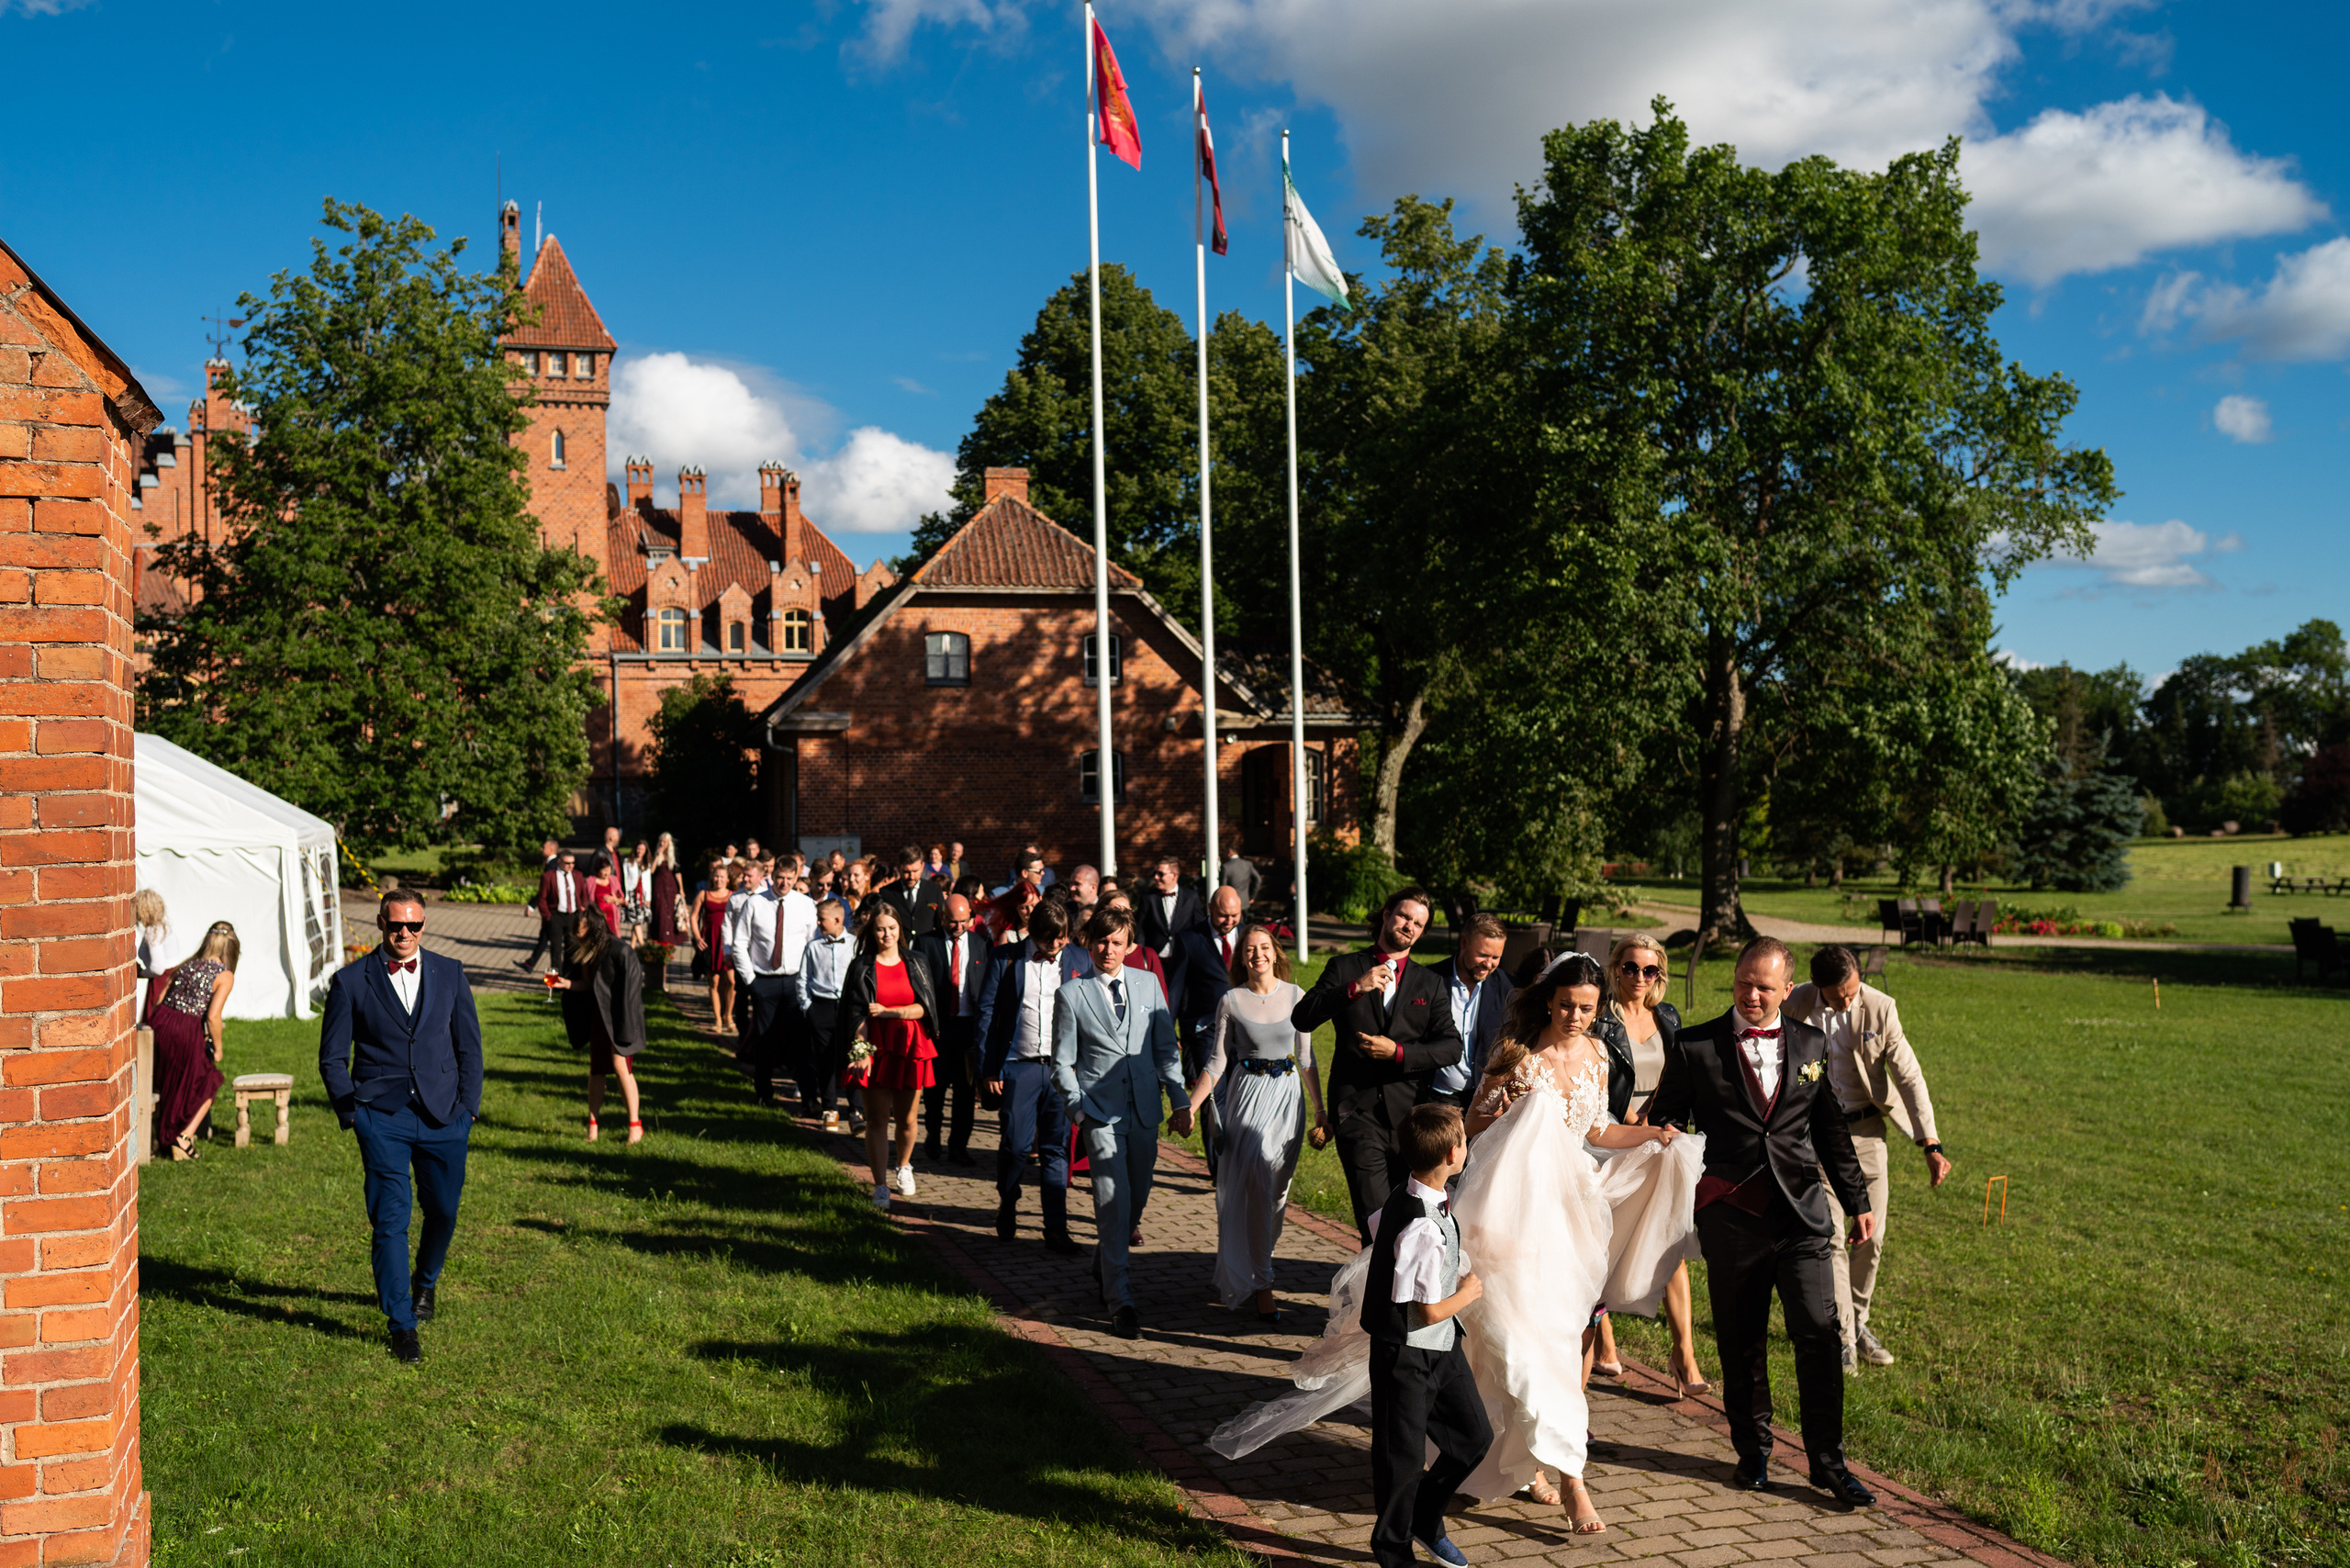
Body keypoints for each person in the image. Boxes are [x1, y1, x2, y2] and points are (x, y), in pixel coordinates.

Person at [1457, 953, 1705, 1527]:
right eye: (1566, 1005)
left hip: (1572, 1217)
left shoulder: (1596, 1054)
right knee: (1518, 1340)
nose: (1575, 1017)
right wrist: (1525, 1121)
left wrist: (1650, 1135)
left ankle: (1552, 1464)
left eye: (1587, 1009)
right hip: (1513, 1213)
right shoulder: (1515, 1055)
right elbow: (1473, 1124)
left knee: (1565, 1342)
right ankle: (1563, 1477)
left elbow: (1597, 1129)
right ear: (1548, 1000)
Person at [1648, 936, 1877, 1507]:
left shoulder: (1810, 1043)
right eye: (1744, 982)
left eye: (1764, 987)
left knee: (1820, 1334)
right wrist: (1673, 1139)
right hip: (1732, 1219)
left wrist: (1858, 1200)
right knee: (1741, 1340)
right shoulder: (1695, 1044)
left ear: (1786, 990)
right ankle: (1753, 1453)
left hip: (1802, 1216)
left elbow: (1830, 1130)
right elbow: (1667, 1116)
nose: (1751, 994)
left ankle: (1828, 1463)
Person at [1212, 1105, 1492, 1568]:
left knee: (1473, 1438)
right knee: (1400, 1459)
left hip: (1444, 1349)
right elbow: (1424, 1311)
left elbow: (1380, 1225)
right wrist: (1468, 1293)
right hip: (1405, 1354)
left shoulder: (1410, 1195)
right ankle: (1392, 1547)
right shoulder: (1422, 1226)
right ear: (1450, 1154)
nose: (1467, 1146)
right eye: (1464, 1139)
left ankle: (1424, 1517)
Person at [318, 892, 484, 1366]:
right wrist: (353, 1114)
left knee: (444, 1212)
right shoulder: (351, 981)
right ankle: (401, 1325)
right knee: (391, 1222)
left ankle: (425, 1283)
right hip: (382, 1120)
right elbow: (333, 1058)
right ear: (380, 924)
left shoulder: (450, 973)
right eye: (396, 926)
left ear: (425, 925)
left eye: (414, 926)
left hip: (444, 1117)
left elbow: (469, 1048)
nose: (405, 935)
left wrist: (467, 1107)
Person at [1785, 944, 1952, 1369]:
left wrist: (1930, 1142)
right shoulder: (1795, 1002)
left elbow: (1909, 1075)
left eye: (1852, 991)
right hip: (1815, 1137)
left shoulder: (1881, 1008)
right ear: (1819, 987)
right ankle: (1840, 1337)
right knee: (1835, 1240)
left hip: (1866, 1133)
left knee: (1870, 1238)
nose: (1847, 1001)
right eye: (1838, 996)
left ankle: (1857, 1322)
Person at [1292, 886, 1462, 1242]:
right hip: (1357, 1111)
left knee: (1412, 1220)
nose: (1409, 926)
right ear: (1386, 914)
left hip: (1411, 1119)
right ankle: (1378, 1295)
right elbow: (1302, 1017)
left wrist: (1399, 1053)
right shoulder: (1345, 967)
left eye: (1418, 923)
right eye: (1403, 916)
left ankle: (1399, 1296)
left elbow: (1450, 1047)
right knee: (1375, 1222)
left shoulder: (1428, 983)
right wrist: (1355, 987)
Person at [1051, 906, 1189, 1338]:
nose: (1108, 950)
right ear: (1088, 942)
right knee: (1112, 1205)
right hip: (1100, 1116)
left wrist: (1180, 1100)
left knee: (1135, 1202)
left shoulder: (1148, 984)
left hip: (1145, 1110)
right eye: (1100, 941)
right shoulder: (1072, 994)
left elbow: (1166, 1048)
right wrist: (1079, 1110)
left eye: (1117, 942)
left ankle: (1103, 1264)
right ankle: (1121, 1300)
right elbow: (1062, 1064)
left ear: (1129, 945)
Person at [1585, 931, 1708, 1394]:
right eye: (1630, 968)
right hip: (1607, 1137)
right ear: (1615, 969)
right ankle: (1604, 1344)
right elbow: (1589, 1080)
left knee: (1668, 1241)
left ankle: (1685, 1356)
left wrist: (1657, 1117)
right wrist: (1630, 1119)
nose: (1639, 977)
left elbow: (1678, 1075)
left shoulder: (1668, 1017)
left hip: (1657, 1136)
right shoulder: (1600, 1017)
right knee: (1600, 1244)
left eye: (1649, 969)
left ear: (1660, 974)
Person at [1184, 925, 1326, 1320]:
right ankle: (1264, 1285)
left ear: (1275, 952)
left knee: (1277, 1193)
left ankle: (1258, 1259)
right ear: (1241, 957)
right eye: (1249, 949)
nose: (1257, 954)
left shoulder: (1297, 996)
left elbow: (1307, 1058)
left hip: (1287, 1098)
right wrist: (1192, 1106)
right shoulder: (1231, 1000)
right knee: (1260, 1184)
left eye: (1264, 947)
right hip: (1248, 1098)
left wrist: (1320, 1110)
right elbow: (1217, 1062)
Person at [976, 898, 1090, 1252]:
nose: (1057, 945)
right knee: (1015, 1146)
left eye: (1063, 938)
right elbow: (987, 1014)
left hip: (1061, 1070)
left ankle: (1056, 1228)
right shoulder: (1005, 958)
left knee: (1057, 1150)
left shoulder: (1079, 960)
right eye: (1051, 939)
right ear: (1036, 933)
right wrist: (989, 1066)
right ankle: (1007, 1203)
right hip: (1018, 1066)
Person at [840, 902, 942, 1207]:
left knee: (908, 1119)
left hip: (912, 1047)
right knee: (876, 1120)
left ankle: (905, 1166)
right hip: (876, 1048)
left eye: (892, 928)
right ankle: (880, 1185)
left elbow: (925, 1009)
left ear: (901, 929)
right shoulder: (861, 966)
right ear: (873, 931)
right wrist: (862, 1052)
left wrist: (889, 1013)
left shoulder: (917, 961)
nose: (887, 934)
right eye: (881, 928)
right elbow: (856, 1016)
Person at [549, 908, 646, 1145]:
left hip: (620, 1019)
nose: (575, 933)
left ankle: (635, 1125)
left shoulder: (619, 950)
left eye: (579, 929)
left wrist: (626, 1026)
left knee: (620, 1065)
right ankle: (593, 1125)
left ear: (593, 927)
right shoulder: (585, 950)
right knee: (596, 1071)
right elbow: (591, 986)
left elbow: (631, 994)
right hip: (599, 1018)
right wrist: (566, 984)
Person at [729, 857, 818, 1108]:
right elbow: (740, 943)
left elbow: (813, 944)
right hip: (763, 981)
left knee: (800, 1040)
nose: (784, 883)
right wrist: (751, 981)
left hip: (795, 981)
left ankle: (809, 1096)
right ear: (772, 874)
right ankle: (764, 1093)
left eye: (790, 879)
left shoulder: (806, 905)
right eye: (781, 877)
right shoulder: (755, 903)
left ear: (797, 877)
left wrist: (808, 980)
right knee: (764, 1039)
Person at [1162, 890, 1237, 1175]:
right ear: (1209, 909)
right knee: (1212, 1094)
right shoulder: (1189, 939)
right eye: (1223, 915)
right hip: (1206, 1028)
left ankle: (1239, 1156)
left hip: (1245, 1030)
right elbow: (1176, 987)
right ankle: (1220, 1169)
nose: (1229, 921)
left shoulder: (1249, 936)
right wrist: (1169, 1031)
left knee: (1239, 1092)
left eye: (1234, 915)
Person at [150, 920, 237, 1160]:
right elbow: (213, 1015)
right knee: (210, 1079)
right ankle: (183, 1137)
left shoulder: (185, 965)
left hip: (161, 1022)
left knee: (170, 1078)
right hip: (186, 1030)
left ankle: (163, 1134)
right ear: (232, 949)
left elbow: (160, 1000)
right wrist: (218, 1049)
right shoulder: (225, 975)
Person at [915, 892, 990, 1166]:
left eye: (963, 921)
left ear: (970, 916)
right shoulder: (926, 943)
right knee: (934, 1091)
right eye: (952, 922)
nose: (958, 927)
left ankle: (959, 1146)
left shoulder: (983, 944)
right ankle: (932, 1135)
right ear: (942, 917)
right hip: (938, 1029)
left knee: (965, 1092)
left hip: (969, 1030)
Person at [1420, 913, 1513, 1110]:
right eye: (1483, 955)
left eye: (1496, 957)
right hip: (1435, 1096)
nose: (1488, 964)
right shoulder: (1428, 979)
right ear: (1463, 943)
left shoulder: (1508, 988)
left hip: (1484, 1101)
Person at [797, 897, 856, 1126]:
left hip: (848, 1008)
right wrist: (808, 1006)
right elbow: (803, 978)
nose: (818, 923)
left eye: (822, 920)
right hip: (821, 1007)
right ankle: (830, 1108)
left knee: (852, 1057)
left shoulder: (855, 945)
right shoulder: (813, 947)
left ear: (837, 920)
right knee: (825, 1059)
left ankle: (856, 1109)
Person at [519, 848, 588, 972]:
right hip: (556, 916)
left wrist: (582, 907)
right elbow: (542, 898)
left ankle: (568, 976)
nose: (570, 866)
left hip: (573, 916)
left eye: (572, 863)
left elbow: (583, 894)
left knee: (571, 947)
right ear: (559, 862)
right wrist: (548, 916)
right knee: (555, 949)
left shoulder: (578, 875)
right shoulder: (549, 876)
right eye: (567, 863)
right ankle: (556, 978)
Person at [690, 863, 736, 1037]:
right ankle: (717, 1018)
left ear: (728, 879)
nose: (719, 880)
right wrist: (697, 937)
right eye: (716, 876)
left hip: (727, 941)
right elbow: (694, 916)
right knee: (714, 982)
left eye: (722, 877)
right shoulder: (704, 894)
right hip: (710, 941)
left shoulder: (733, 896)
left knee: (731, 981)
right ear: (712, 877)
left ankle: (728, 1015)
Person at [1136, 856, 1206, 957]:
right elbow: (1140, 929)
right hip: (1156, 957)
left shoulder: (1191, 897)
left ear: (1174, 875)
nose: (1156, 877)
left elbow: (1198, 928)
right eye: (1154, 873)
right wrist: (1142, 955)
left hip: (1183, 956)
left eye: (1160, 874)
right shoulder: (1148, 898)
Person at [873, 844, 947, 938]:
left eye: (915, 871)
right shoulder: (886, 893)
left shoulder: (934, 890)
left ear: (922, 866)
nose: (911, 877)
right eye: (906, 872)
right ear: (898, 867)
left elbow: (939, 925)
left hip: (926, 949)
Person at [133, 887, 177, 981]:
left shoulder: (154, 931)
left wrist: (140, 973)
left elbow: (157, 969)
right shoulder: (163, 926)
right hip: (169, 977)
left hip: (161, 981)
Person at [650, 835, 685, 948]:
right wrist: (657, 856)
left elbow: (677, 873)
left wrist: (681, 889)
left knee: (669, 911)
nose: (662, 843)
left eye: (664, 841)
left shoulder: (673, 856)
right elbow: (652, 870)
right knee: (660, 910)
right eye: (661, 841)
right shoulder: (657, 854)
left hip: (670, 887)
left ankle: (669, 937)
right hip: (659, 886)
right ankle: (659, 936)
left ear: (669, 843)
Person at [621, 840, 654, 943]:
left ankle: (633, 946)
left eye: (642, 849)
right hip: (631, 893)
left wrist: (648, 898)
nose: (640, 851)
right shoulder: (628, 861)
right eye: (639, 848)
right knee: (635, 921)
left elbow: (648, 881)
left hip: (642, 895)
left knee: (637, 920)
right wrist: (625, 896)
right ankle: (643, 945)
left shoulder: (647, 863)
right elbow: (625, 879)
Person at [1217, 842, 1261, 910]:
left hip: (1231, 904)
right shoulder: (1248, 864)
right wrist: (1252, 896)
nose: (1224, 853)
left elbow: (1223, 888)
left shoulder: (1226, 867)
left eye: (1225, 851)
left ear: (1229, 851)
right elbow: (1258, 879)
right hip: (1245, 902)